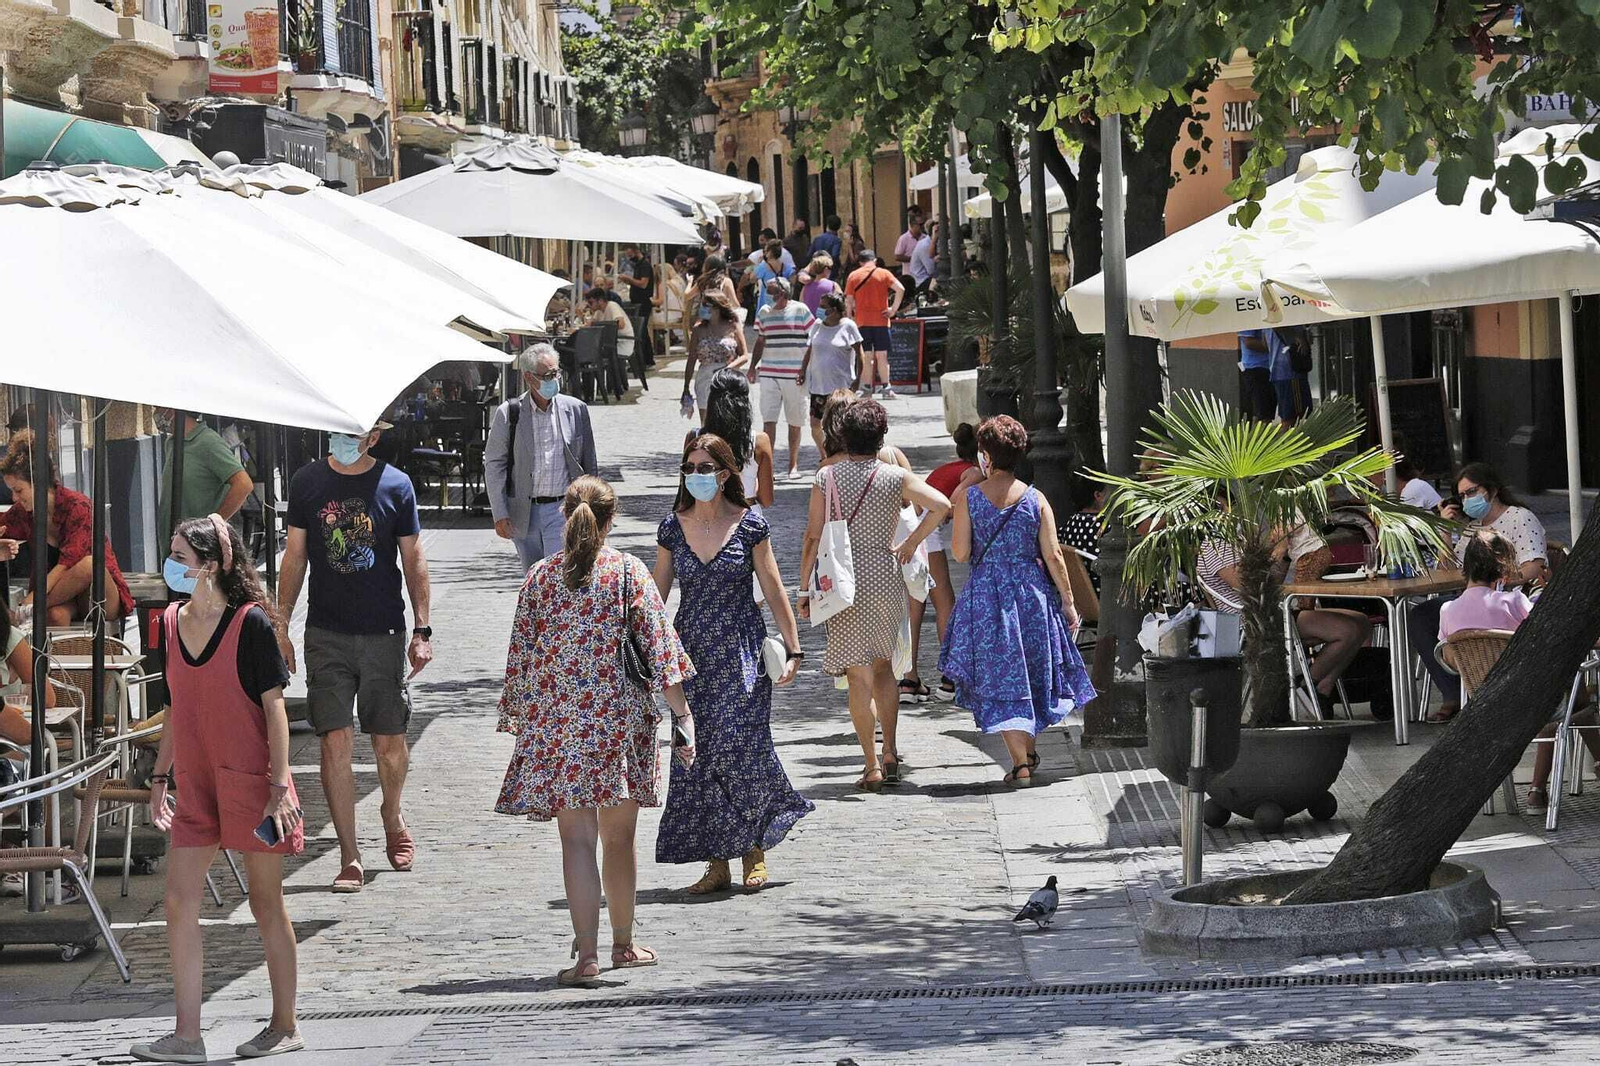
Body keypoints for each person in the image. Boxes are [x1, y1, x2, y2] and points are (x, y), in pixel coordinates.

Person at [494, 476, 695, 986]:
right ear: (611, 520)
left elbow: (521, 659)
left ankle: (586, 955)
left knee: (576, 841)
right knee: (619, 839)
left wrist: (523, 722)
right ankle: (623, 944)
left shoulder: (540, 578)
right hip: (618, 725)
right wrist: (683, 718)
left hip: (560, 725)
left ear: (564, 515)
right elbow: (660, 651)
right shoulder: (628, 573)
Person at [132, 515, 305, 1063]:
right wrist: (160, 778)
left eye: (179, 556)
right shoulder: (169, 622)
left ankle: (285, 1025)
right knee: (178, 899)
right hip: (197, 781)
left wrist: (280, 786)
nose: (170, 565)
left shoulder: (250, 624)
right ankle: (188, 1036)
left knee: (265, 902)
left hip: (253, 780)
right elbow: (175, 709)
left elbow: (275, 710)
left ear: (209, 566)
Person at [276, 422, 432, 893]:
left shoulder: (395, 485)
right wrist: (281, 626)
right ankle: (350, 854)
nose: (341, 440)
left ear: (373, 438)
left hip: (384, 631)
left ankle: (392, 813)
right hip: (326, 634)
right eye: (337, 431)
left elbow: (413, 559)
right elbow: (294, 557)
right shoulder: (307, 481)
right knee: (334, 741)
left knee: (389, 742)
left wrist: (421, 629)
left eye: (352, 433)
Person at [652, 433, 810, 893]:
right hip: (691, 655)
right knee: (698, 753)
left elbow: (773, 587)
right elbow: (655, 596)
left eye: (704, 468)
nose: (695, 475)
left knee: (743, 747)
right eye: (689, 467)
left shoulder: (749, 524)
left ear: (724, 474)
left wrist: (794, 647)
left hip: (742, 651)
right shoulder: (672, 527)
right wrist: (640, 648)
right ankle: (716, 862)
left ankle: (753, 850)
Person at [796, 400, 950, 791]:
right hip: (885, 577)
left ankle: (870, 764)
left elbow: (812, 536)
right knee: (884, 669)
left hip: (843, 583)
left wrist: (804, 587)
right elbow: (941, 505)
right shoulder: (894, 476)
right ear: (881, 436)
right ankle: (891, 751)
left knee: (857, 676)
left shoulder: (826, 478)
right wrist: (911, 544)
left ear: (843, 436)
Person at [940, 417, 1095, 787]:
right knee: (1031, 670)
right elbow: (1054, 556)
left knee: (999, 677)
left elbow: (960, 553)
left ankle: (1020, 761)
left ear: (985, 455)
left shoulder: (970, 499)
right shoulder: (1035, 499)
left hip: (986, 598)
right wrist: (1069, 602)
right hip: (1031, 595)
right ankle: (1028, 753)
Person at [1410, 462, 1548, 721]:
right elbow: (1447, 570)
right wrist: (1445, 532)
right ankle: (1453, 693)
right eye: (1462, 496)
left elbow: (1535, 566)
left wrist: (1500, 581)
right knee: (1421, 615)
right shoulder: (1472, 527)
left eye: (1471, 492)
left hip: (1511, 596)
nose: (1467, 500)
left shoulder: (1520, 517)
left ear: (1492, 489)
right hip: (1472, 597)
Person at [1195, 522, 1371, 716]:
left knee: (1362, 621)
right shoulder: (1215, 547)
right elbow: (1252, 586)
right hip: (1255, 621)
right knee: (1348, 630)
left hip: (1274, 611)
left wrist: (1284, 552)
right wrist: (1279, 548)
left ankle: (1320, 689)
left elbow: (1274, 580)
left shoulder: (1237, 542)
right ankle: (1304, 686)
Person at [485, 344, 601, 571]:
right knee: (532, 578)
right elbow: (494, 464)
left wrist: (594, 510)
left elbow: (589, 464)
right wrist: (500, 513)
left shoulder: (576, 409)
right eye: (548, 376)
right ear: (529, 378)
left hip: (563, 510)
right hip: (524, 513)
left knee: (558, 575)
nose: (554, 380)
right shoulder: (509, 413)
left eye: (556, 373)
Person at [0, 430, 131, 626]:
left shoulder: (78, 506)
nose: (14, 498)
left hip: (97, 595)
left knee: (89, 564)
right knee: (56, 616)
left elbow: (67, 564)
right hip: (61, 600)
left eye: (18, 490)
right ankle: (34, 618)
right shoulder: (22, 513)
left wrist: (32, 601)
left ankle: (28, 611)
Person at [906, 423, 979, 703]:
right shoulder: (974, 472)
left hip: (912, 527)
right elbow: (954, 502)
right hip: (928, 531)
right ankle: (950, 677)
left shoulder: (948, 468)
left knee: (915, 604)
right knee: (945, 602)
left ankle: (909, 678)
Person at [750, 277, 816, 480]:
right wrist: (752, 367)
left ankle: (792, 466)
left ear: (784, 293)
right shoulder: (764, 312)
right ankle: (767, 468)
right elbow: (760, 341)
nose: (769, 297)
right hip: (769, 373)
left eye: (773, 293)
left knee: (795, 420)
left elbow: (813, 340)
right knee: (769, 419)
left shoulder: (801, 310)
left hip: (795, 374)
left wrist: (805, 369)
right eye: (767, 293)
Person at [157, 410, 254, 546]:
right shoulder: (171, 442)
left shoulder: (208, 442)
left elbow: (243, 484)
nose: (156, 412)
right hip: (173, 543)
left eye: (158, 407)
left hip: (197, 546)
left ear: (174, 409)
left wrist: (212, 526)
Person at [699, 370, 775, 514]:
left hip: (706, 516)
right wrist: (754, 484)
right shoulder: (759, 441)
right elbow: (766, 499)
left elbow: (686, 494)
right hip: (746, 514)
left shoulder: (695, 438)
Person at [799, 293, 865, 454]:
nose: (819, 309)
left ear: (834, 310)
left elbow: (860, 354)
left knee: (839, 424)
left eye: (823, 306)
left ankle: (842, 454)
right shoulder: (817, 325)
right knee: (815, 424)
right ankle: (825, 454)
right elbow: (810, 349)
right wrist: (802, 370)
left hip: (840, 387)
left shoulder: (848, 326)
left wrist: (858, 380)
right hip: (818, 385)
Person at [844, 250, 906, 400]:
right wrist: (893, 310)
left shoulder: (853, 276)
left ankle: (866, 388)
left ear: (860, 262)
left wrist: (849, 318)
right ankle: (887, 388)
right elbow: (900, 289)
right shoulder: (884, 273)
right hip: (881, 320)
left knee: (867, 355)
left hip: (862, 321)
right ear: (875, 260)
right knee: (882, 355)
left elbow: (849, 301)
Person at [683, 289, 749, 424]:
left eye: (705, 305)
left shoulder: (733, 325)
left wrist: (727, 369)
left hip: (727, 377)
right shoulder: (698, 329)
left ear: (717, 307)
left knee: (728, 420)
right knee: (706, 422)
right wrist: (686, 386)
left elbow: (744, 355)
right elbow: (691, 359)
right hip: (705, 377)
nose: (702, 308)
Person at [1060, 474, 1106, 593]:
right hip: (1108, 593)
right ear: (1098, 495)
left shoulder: (1070, 523)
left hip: (1082, 595)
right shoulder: (1106, 526)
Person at [683, 254, 742, 338]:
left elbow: (687, 296)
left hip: (705, 315)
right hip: (722, 315)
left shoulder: (702, 281)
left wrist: (689, 282)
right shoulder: (727, 281)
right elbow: (735, 303)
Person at [1236, 329, 1279, 422]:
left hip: (1272, 367)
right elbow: (1248, 342)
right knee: (1261, 413)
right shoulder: (1249, 321)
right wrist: (1273, 346)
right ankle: (1258, 431)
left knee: (1268, 413)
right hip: (1255, 368)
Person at [749, 240, 796, 318]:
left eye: (765, 251)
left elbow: (752, 279)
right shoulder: (787, 268)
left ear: (769, 253)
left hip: (766, 304)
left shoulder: (763, 267)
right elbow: (793, 283)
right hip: (783, 304)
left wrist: (759, 264)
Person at [909, 219, 938, 295]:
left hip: (926, 279)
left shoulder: (930, 243)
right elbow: (931, 270)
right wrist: (936, 260)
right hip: (921, 281)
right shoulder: (925, 245)